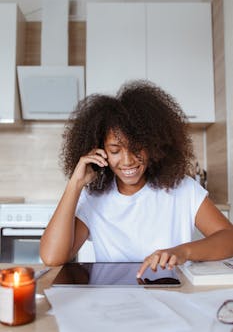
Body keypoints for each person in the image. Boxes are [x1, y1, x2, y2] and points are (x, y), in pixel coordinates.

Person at [40, 80, 233, 278]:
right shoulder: (93, 197)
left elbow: (229, 238)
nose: (127, 161)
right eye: (115, 150)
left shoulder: (182, 188)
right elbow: (52, 258)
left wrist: (182, 252)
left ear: (153, 145)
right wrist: (75, 184)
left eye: (136, 148)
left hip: (170, 296)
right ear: (101, 150)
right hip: (113, 301)